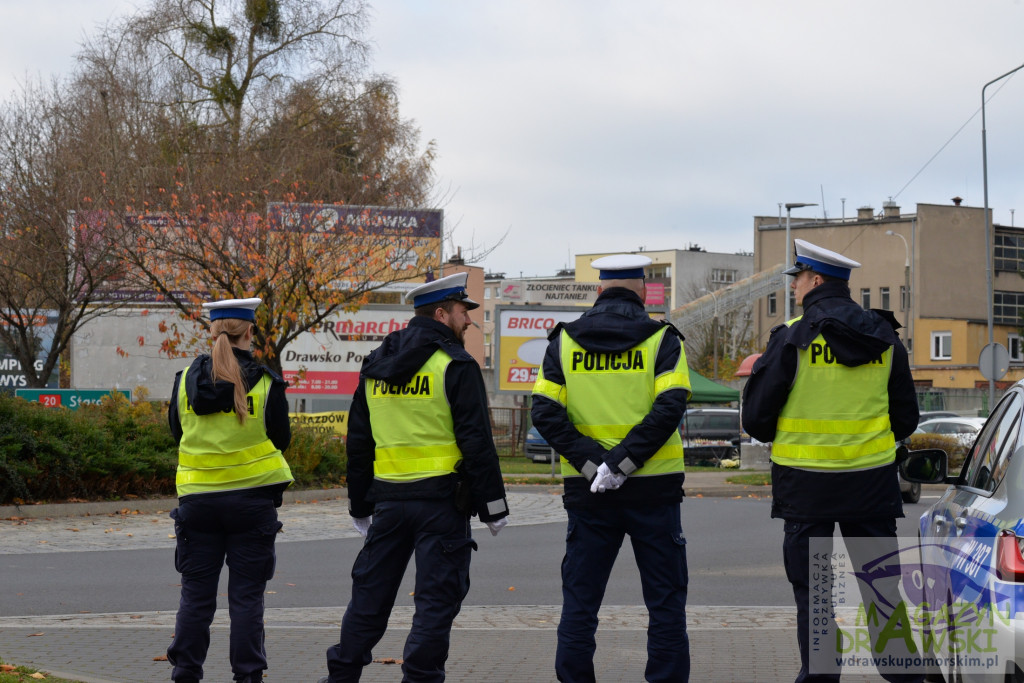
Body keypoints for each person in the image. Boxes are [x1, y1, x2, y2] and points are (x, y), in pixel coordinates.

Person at [741, 239, 922, 683]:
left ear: (815, 281)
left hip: (806, 490)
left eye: (798, 278)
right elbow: (906, 417)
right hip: (871, 487)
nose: (795, 286)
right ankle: (904, 674)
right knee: (882, 589)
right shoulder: (884, 338)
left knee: (816, 593)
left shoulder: (791, 338)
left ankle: (822, 675)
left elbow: (757, 419)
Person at [320, 271, 509, 683]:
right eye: (463, 312)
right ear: (441, 314)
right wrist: (493, 507)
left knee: (369, 597)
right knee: (435, 602)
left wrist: (359, 505)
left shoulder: (375, 367)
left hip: (388, 504)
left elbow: (359, 444)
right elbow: (476, 441)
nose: (469, 321)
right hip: (441, 506)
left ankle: (342, 676)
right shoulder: (455, 365)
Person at [531, 254, 691, 683]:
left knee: (581, 601)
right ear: (642, 290)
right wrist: (623, 463)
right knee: (665, 602)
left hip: (589, 493)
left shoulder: (563, 342)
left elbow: (544, 413)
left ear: (599, 290)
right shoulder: (662, 340)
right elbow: (670, 407)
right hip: (654, 488)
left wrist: (593, 464)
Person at [166, 297, 294, 683]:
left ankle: (186, 673)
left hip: (197, 504)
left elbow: (177, 432)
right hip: (251, 505)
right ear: (249, 332)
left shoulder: (186, 379)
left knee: (196, 598)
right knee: (246, 600)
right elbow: (281, 438)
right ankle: (248, 676)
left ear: (212, 331)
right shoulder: (267, 381)